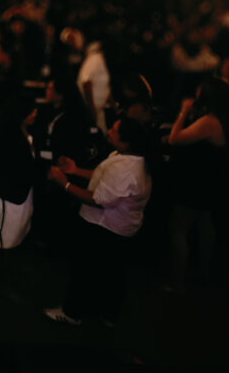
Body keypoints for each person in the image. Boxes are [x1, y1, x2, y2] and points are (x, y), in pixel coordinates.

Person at [44, 117, 153, 326]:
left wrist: (64, 184)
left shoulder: (125, 169)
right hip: (121, 226)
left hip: (106, 227)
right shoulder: (126, 156)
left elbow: (98, 200)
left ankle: (72, 313)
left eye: (114, 130)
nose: (109, 130)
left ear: (126, 141)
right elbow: (103, 176)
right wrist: (75, 171)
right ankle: (105, 314)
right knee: (110, 273)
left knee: (86, 270)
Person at [165, 76, 229, 291]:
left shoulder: (209, 121)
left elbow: (174, 139)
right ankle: (204, 271)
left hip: (198, 183)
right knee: (205, 224)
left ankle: (177, 282)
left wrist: (183, 112)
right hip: (213, 180)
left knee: (178, 228)